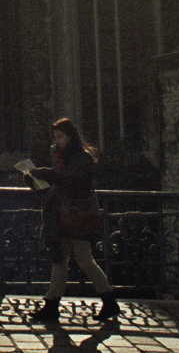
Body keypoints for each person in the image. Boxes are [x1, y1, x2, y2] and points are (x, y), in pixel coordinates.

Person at [18, 117, 120, 323]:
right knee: (61, 260)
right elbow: (53, 186)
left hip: (77, 215)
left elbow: (71, 181)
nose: (57, 141)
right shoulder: (61, 156)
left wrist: (47, 174)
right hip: (60, 215)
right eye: (55, 137)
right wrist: (33, 179)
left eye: (60, 137)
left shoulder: (82, 158)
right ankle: (52, 305)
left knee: (83, 259)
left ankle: (109, 302)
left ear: (71, 137)